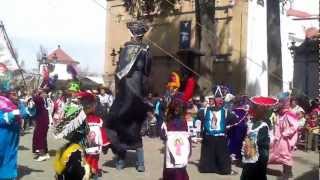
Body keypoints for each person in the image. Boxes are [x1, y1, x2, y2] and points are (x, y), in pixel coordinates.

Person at [198, 85, 237, 175]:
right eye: (218, 99)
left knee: (217, 154)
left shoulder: (225, 112)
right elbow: (234, 119)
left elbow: (234, 120)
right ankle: (215, 169)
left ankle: (215, 169)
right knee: (214, 154)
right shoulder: (206, 111)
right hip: (213, 137)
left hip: (216, 137)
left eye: (221, 99)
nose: (220, 101)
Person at [77, 91, 110, 178]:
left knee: (93, 160)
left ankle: (91, 172)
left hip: (95, 145)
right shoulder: (82, 120)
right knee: (89, 160)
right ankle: (90, 172)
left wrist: (105, 143)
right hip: (86, 145)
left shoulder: (98, 120)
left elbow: (102, 132)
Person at [269, 92, 299, 179]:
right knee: (282, 155)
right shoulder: (281, 113)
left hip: (287, 139)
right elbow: (278, 125)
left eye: (279, 102)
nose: (278, 104)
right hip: (281, 138)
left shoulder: (289, 113)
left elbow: (295, 126)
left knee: (286, 155)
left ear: (284, 102)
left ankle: (287, 174)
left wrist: (285, 133)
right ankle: (288, 172)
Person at [161, 93, 191, 180]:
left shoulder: (184, 121)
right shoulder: (168, 120)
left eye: (179, 107)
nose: (177, 109)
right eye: (175, 107)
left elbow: (188, 136)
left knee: (180, 168)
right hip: (170, 149)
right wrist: (164, 134)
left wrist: (189, 151)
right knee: (170, 167)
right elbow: (163, 134)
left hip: (181, 150)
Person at [32, 89, 51, 161]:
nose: (42, 94)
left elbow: (35, 98)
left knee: (40, 137)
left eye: (42, 92)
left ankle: (42, 154)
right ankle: (45, 153)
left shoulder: (41, 99)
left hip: (42, 121)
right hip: (43, 120)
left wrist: (34, 93)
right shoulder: (43, 100)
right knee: (41, 137)